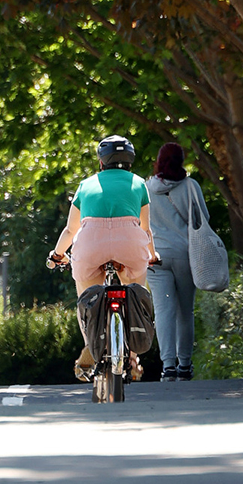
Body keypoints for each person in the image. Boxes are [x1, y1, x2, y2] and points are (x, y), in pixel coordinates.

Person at [49, 135, 158, 380]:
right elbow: (146, 229)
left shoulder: (86, 185)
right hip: (130, 244)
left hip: (90, 245)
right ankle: (131, 355)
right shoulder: (139, 184)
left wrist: (58, 254)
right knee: (136, 293)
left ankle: (90, 343)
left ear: (101, 162)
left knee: (87, 299)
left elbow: (70, 230)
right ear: (130, 161)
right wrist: (152, 255)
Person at [145, 143, 207, 382]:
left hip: (155, 256)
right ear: (182, 161)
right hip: (185, 254)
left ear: (158, 161)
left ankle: (167, 366)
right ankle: (185, 365)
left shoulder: (146, 188)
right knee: (185, 311)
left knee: (163, 311)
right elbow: (203, 218)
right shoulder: (191, 186)